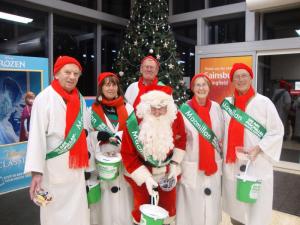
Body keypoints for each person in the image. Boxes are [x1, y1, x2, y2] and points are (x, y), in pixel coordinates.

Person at [24, 56, 90, 225]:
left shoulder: (80, 99)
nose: (72, 77)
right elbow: (36, 138)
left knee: (78, 212)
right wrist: (36, 172)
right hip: (53, 168)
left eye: (76, 73)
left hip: (76, 169)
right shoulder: (44, 98)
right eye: (67, 72)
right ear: (56, 74)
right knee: (53, 213)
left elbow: (85, 130)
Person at [221, 63, 284, 225]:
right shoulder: (227, 104)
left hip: (257, 163)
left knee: (256, 207)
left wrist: (260, 148)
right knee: (236, 206)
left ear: (251, 78)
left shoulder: (264, 103)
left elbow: (277, 131)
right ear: (232, 81)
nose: (241, 79)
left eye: (244, 76)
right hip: (232, 163)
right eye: (237, 76)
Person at [121, 86, 186, 225]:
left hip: (167, 173)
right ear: (145, 107)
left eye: (161, 108)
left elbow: (181, 141)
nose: (157, 112)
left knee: (168, 210)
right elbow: (127, 154)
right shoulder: (134, 122)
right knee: (143, 212)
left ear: (168, 107)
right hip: (143, 172)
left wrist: (174, 165)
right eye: (153, 108)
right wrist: (145, 178)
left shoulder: (175, 117)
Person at [176, 73, 224, 225]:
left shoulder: (216, 108)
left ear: (209, 88)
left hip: (212, 164)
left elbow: (221, 134)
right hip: (192, 164)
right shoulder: (184, 110)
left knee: (212, 205)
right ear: (193, 88)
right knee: (192, 206)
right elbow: (179, 137)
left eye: (204, 85)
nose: (201, 88)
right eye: (198, 85)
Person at [87, 72, 134, 225]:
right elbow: (86, 135)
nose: (111, 88)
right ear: (101, 88)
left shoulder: (128, 108)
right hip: (103, 164)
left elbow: (135, 131)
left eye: (113, 84)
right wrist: (96, 136)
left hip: (123, 162)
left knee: (124, 197)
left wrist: (121, 135)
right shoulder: (92, 111)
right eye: (107, 84)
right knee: (105, 202)